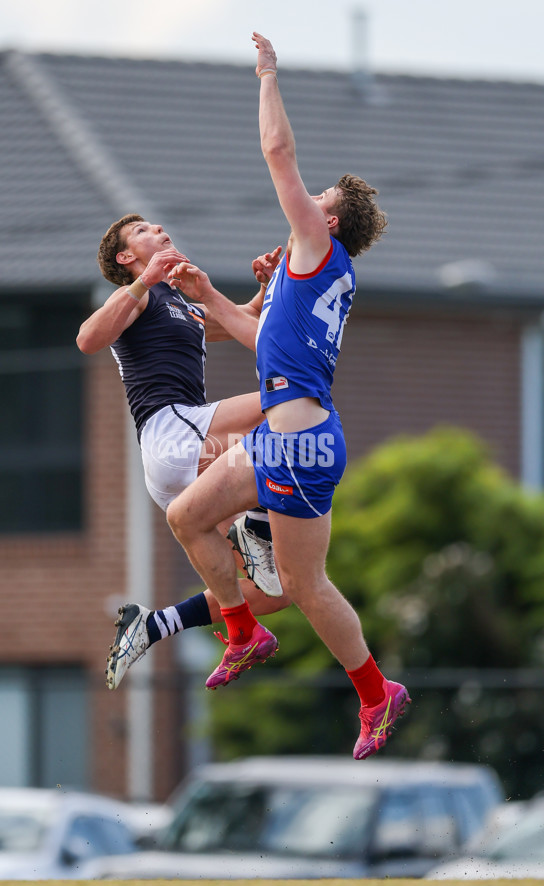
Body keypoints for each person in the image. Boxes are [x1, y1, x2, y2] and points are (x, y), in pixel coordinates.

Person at [166, 32, 410, 759]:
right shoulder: (305, 277)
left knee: (307, 584)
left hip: (301, 444)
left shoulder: (316, 245)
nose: (303, 203)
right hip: (282, 430)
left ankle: (376, 693)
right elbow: (253, 336)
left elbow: (278, 155)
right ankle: (244, 631)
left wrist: (268, 75)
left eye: (316, 201)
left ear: (325, 220)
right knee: (187, 515)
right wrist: (203, 291)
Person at [77, 214, 286, 690]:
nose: (159, 230)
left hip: (183, 455)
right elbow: (88, 340)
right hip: (171, 430)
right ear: (126, 258)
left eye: (157, 227)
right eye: (143, 231)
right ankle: (256, 523)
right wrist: (145, 279)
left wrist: (265, 290)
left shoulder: (180, 303)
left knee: (278, 590)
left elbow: (244, 322)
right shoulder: (140, 294)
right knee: (288, 397)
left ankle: (164, 625)